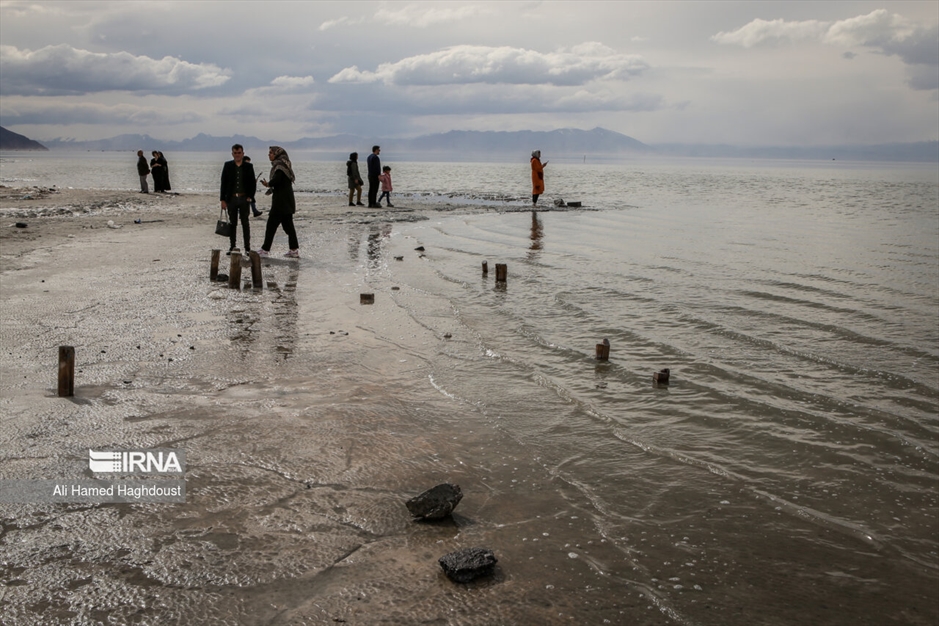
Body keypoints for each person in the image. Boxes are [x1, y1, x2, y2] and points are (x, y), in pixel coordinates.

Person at [258, 146, 300, 259]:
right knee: (288, 227)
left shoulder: (280, 166)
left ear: (277, 154)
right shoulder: (283, 164)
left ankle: (265, 249)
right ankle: (293, 249)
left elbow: (277, 179)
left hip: (281, 202)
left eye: (271, 153)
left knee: (271, 225)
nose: (269, 155)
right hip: (286, 201)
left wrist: (268, 184)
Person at [219, 143, 256, 255]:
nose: (237, 155)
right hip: (231, 199)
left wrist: (250, 196)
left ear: (243, 153)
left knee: (245, 223)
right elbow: (223, 183)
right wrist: (222, 200)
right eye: (235, 153)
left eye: (239, 153)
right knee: (232, 223)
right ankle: (232, 246)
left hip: (244, 198)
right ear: (232, 154)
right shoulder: (228, 165)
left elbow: (252, 183)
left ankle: (247, 248)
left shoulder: (248, 167)